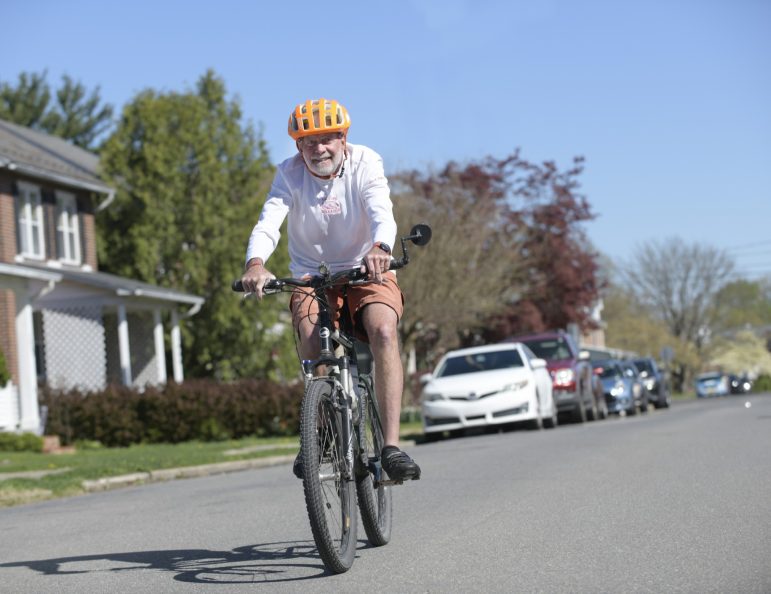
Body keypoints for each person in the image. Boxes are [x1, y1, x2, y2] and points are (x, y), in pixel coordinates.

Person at [240, 98, 421, 482]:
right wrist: (255, 264)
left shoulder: (365, 162)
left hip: (366, 267)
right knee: (309, 335)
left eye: (326, 139)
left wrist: (381, 248)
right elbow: (269, 221)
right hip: (312, 275)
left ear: (342, 139)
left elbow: (380, 211)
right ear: (297, 147)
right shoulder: (289, 174)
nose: (317, 148)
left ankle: (391, 445)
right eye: (308, 141)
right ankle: (321, 429)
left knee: (383, 329)